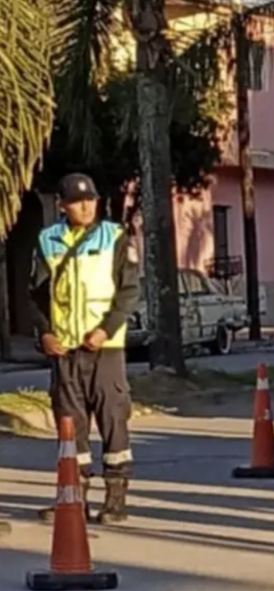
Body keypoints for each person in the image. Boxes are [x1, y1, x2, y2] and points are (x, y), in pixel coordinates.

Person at [28, 173, 140, 525]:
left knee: (113, 422)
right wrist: (44, 335)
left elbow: (128, 292)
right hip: (66, 351)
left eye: (90, 198)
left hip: (104, 349)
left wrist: (105, 330)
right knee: (70, 426)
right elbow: (36, 296)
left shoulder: (115, 237)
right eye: (77, 201)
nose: (86, 205)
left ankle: (115, 500)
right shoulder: (48, 241)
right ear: (62, 205)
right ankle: (73, 497)